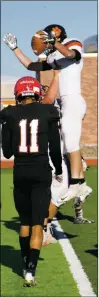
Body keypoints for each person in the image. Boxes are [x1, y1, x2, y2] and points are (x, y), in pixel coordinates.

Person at [3, 25, 92, 224]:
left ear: (59, 35)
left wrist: (55, 43)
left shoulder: (72, 43)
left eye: (51, 35)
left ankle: (78, 184)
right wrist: (15, 49)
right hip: (64, 101)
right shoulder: (54, 60)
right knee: (66, 144)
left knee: (71, 143)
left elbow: (71, 54)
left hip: (74, 98)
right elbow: (31, 66)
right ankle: (76, 184)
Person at [0, 76, 63, 286]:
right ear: (37, 93)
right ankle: (30, 271)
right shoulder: (48, 112)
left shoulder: (9, 114)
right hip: (41, 172)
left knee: (25, 222)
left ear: (18, 94)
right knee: (38, 224)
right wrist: (60, 169)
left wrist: (7, 129)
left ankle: (25, 261)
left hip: (21, 173)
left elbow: (8, 153)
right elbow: (54, 147)